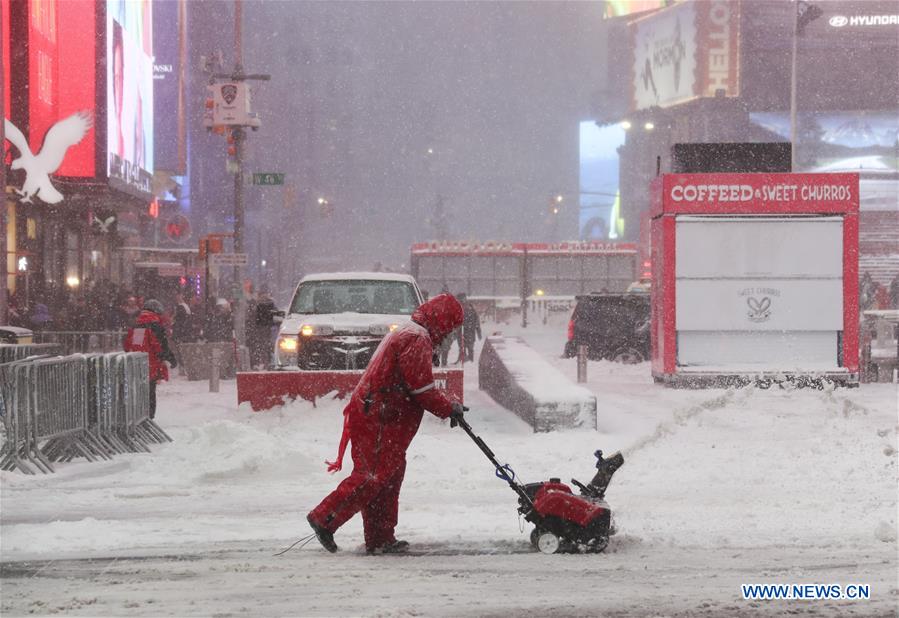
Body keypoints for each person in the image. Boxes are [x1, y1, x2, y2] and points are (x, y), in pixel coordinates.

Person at [307, 293, 466, 554]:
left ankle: (380, 539)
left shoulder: (412, 332)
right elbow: (422, 389)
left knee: (388, 476)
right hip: (379, 417)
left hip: (383, 416)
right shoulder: (416, 338)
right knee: (372, 476)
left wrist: (448, 405)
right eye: (450, 327)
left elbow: (416, 382)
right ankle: (324, 518)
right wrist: (449, 408)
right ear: (442, 321)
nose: (449, 334)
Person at [123, 299, 176, 420]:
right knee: (150, 393)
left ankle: (139, 417)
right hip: (151, 365)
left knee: (140, 393)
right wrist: (171, 359)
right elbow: (161, 346)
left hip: (137, 364)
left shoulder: (137, 325)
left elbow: (130, 345)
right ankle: (149, 419)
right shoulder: (155, 325)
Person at [248, 285, 282, 369]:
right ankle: (264, 364)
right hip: (263, 332)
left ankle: (261, 364)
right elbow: (277, 318)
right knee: (265, 348)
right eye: (262, 294)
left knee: (263, 348)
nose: (264, 296)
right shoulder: (266, 305)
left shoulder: (256, 305)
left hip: (263, 332)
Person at [456, 293, 482, 362]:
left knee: (470, 348)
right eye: (460, 299)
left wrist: (478, 331)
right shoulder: (457, 308)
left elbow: (477, 320)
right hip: (461, 331)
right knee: (462, 347)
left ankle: (470, 361)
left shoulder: (470, 307)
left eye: (463, 298)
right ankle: (462, 360)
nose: (462, 300)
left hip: (469, 331)